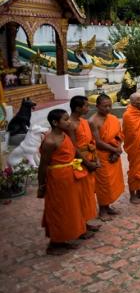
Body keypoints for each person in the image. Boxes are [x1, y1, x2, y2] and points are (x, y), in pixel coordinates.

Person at [38, 109, 87, 255]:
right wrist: (41, 185)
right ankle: (54, 244)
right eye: (65, 120)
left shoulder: (65, 135)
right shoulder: (50, 141)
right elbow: (43, 165)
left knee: (70, 208)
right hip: (57, 179)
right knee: (58, 209)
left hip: (69, 176)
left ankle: (64, 238)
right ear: (55, 123)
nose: (69, 122)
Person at [91, 94, 125, 220]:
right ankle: (102, 211)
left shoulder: (113, 118)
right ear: (97, 106)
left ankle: (108, 206)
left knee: (111, 183)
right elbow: (97, 142)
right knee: (103, 184)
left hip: (113, 153)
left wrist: (116, 151)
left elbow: (119, 135)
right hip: (101, 156)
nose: (108, 108)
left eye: (110, 105)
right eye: (105, 106)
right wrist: (115, 150)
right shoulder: (93, 121)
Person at [69, 95, 100, 231]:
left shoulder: (84, 122)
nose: (88, 108)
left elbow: (91, 142)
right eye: (86, 106)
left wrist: (96, 158)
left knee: (88, 193)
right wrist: (87, 163)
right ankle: (80, 226)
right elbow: (74, 148)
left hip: (89, 157)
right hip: (79, 162)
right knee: (80, 194)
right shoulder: (70, 125)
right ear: (77, 108)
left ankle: (85, 223)